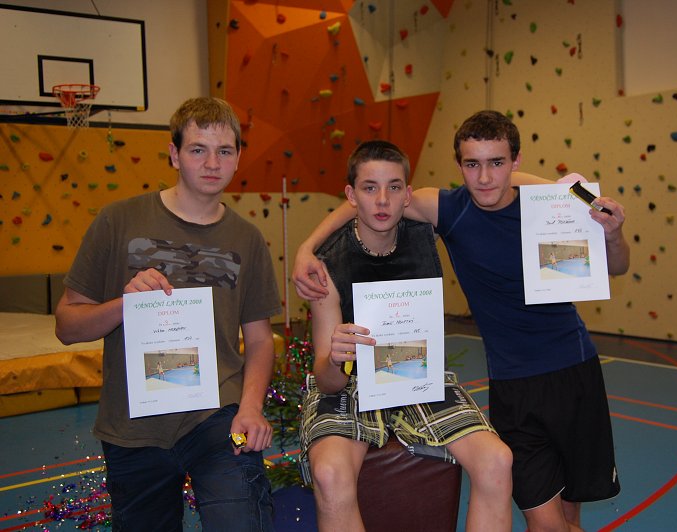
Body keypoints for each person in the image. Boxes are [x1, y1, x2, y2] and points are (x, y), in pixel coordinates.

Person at [293, 111, 629, 531]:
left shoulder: (534, 210)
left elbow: (615, 265)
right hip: (508, 382)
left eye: (497, 163)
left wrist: (583, 206)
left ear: (514, 162)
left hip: (569, 369)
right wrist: (307, 248)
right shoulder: (440, 215)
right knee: (547, 522)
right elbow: (372, 201)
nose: (485, 177)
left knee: (555, 507)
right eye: (472, 164)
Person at [55, 97, 281, 531]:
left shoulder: (247, 238)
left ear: (238, 157)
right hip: (133, 426)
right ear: (174, 154)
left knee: (242, 522)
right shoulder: (118, 221)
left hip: (218, 416)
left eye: (224, 151)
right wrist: (125, 305)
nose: (212, 163)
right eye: (198, 149)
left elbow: (258, 339)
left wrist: (251, 408)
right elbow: (67, 325)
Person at [299, 140, 513, 531]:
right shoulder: (327, 265)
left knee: (497, 460)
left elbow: (502, 182)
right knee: (329, 473)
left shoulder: (425, 232)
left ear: (408, 195)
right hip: (352, 385)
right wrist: (335, 358)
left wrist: (570, 188)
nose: (382, 200)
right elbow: (328, 382)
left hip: (418, 377)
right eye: (369, 188)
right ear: (351, 195)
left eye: (394, 187)